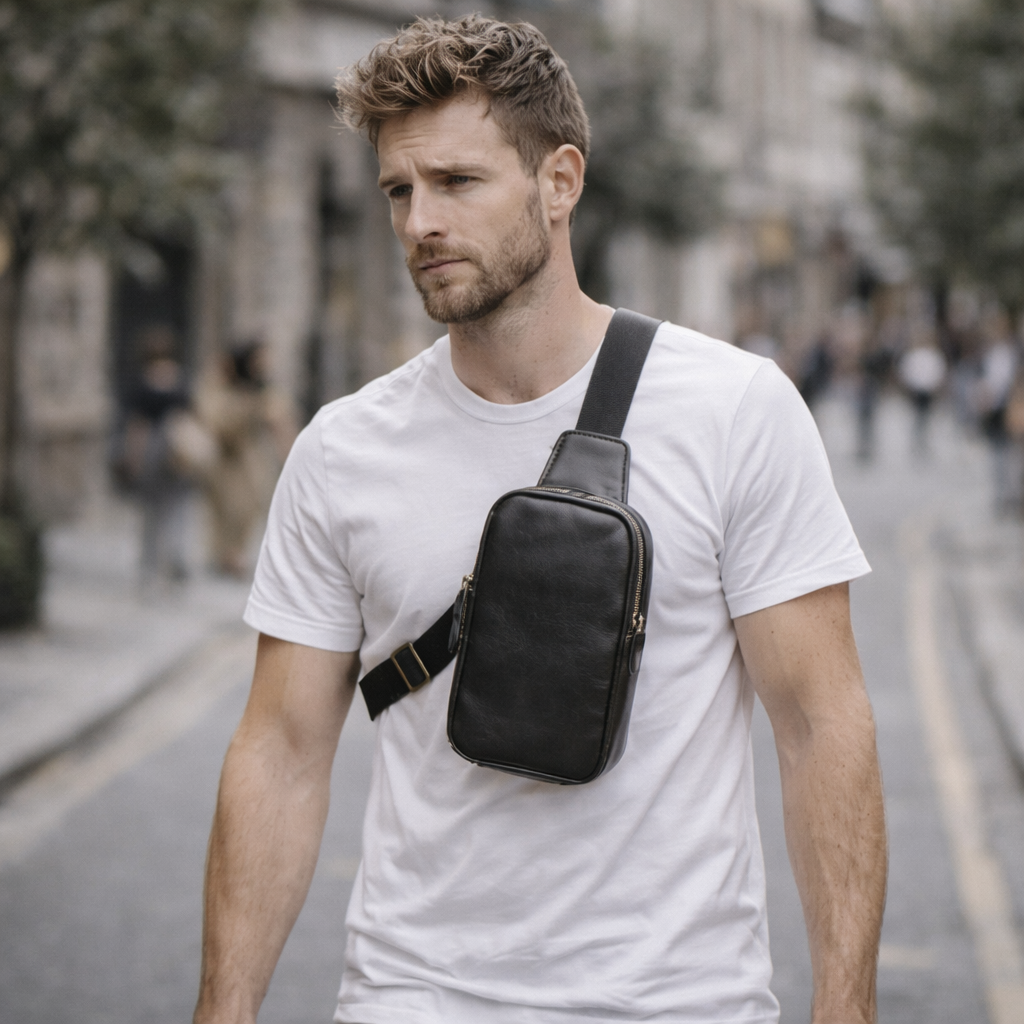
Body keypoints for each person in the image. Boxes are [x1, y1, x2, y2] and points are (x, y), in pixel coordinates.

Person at [194, 17, 886, 1024]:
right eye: (398, 190)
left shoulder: (735, 411)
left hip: (675, 1002)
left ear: (558, 181)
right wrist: (223, 1009)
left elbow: (821, 724)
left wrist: (847, 1005)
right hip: (411, 997)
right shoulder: (342, 451)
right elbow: (282, 750)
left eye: (457, 182)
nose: (418, 221)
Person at [195, 341, 296, 577]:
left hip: (251, 458)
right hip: (224, 457)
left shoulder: (262, 387)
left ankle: (233, 553)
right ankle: (224, 554)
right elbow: (213, 417)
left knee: (249, 506)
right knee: (224, 508)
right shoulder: (221, 382)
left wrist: (290, 451)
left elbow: (280, 419)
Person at [119, 324, 192, 583]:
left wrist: (133, 460)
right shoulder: (180, 380)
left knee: (151, 515)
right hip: (177, 452)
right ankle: (175, 556)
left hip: (152, 451)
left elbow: (137, 427)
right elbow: (188, 419)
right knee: (178, 509)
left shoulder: (143, 383)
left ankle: (149, 568)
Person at [897, 339, 946, 458]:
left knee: (927, 417)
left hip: (929, 390)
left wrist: (935, 387)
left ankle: (926, 443)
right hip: (915, 390)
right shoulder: (912, 355)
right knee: (917, 417)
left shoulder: (933, 355)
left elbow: (938, 372)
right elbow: (906, 372)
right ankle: (916, 443)